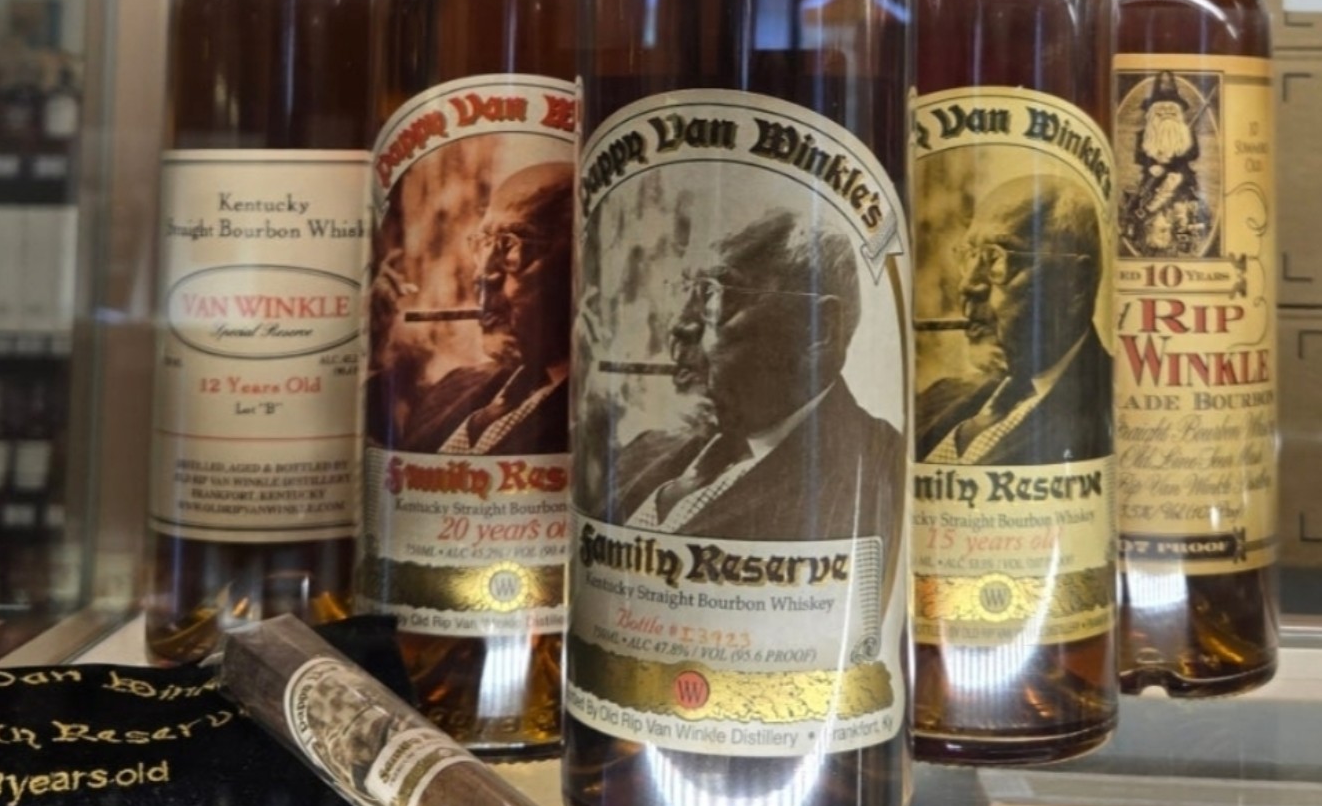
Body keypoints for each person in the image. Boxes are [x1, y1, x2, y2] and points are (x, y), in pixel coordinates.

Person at [602, 208, 903, 541]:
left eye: (713, 296)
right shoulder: (643, 452)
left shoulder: (879, 467)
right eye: (683, 289)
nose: (680, 325)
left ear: (818, 329)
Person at [375, 161, 574, 456]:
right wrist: (375, 345)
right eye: (484, 244)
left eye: (512, 247)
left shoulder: (590, 414)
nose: (482, 275)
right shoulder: (456, 386)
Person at [915, 172, 1111, 464]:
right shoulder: (939, 397)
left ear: (1075, 282)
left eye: (997, 259)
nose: (968, 285)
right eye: (970, 255)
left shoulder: (1109, 406)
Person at [1120, 72, 1213, 259]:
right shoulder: (1144, 135)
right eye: (1161, 109)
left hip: (1182, 180)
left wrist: (1175, 158)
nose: (1166, 113)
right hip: (1152, 181)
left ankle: (1184, 243)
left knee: (1182, 213)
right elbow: (1140, 156)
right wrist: (1153, 165)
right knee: (1150, 215)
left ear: (1178, 112)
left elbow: (1193, 153)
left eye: (1171, 109)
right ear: (1152, 112)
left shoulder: (1186, 134)